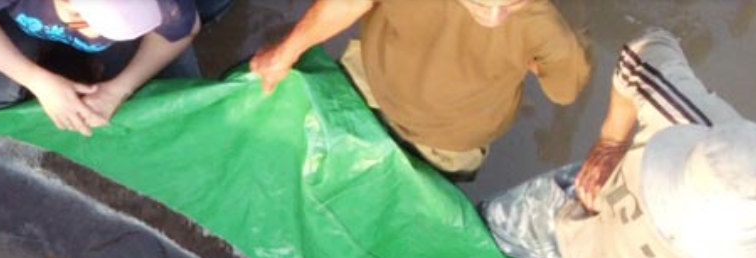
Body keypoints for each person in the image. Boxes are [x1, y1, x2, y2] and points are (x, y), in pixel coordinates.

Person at [484, 27, 756, 258]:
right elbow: (645, 49)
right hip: (586, 209)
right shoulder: (684, 114)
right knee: (489, 240)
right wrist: (610, 143)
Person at [249, 0, 589, 178]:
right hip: (452, 142)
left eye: (512, 5)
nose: (495, 15)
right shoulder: (549, 27)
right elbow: (563, 91)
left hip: (370, 82)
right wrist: (549, 51)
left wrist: (284, 54)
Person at [0, 0, 202, 137]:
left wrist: (120, 88)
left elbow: (181, 29)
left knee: (171, 100)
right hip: (12, 19)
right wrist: (37, 81)